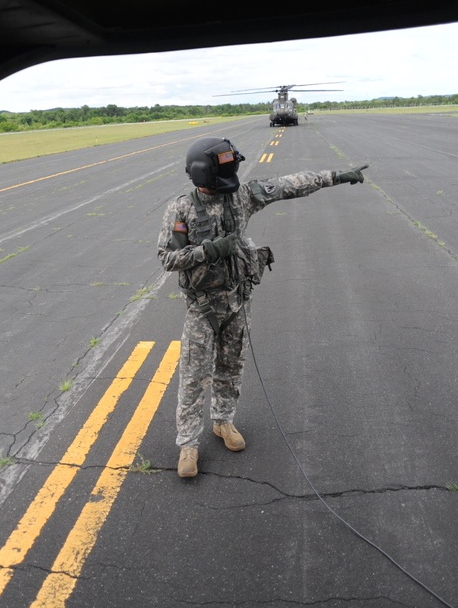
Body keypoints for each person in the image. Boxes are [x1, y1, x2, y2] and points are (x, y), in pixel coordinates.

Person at [156, 136, 366, 478]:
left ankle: (223, 422)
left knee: (231, 365)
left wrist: (335, 176)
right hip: (203, 308)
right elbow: (167, 257)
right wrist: (206, 252)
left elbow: (286, 186)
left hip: (238, 300)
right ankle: (188, 444)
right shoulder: (181, 209)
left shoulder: (240, 195)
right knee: (195, 375)